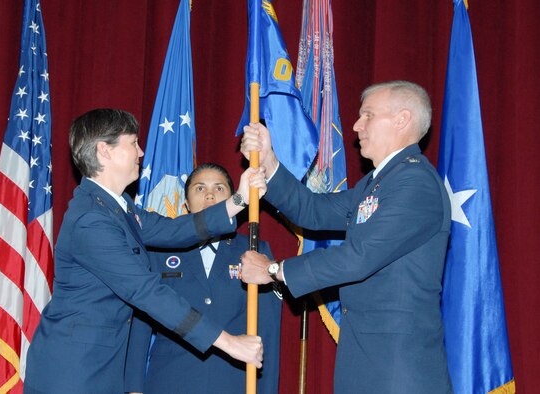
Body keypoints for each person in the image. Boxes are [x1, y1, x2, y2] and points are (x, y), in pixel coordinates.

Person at [24, 109, 266, 394]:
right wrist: (229, 342)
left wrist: (238, 199)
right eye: (133, 143)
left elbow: (172, 230)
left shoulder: (117, 207)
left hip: (100, 369)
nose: (141, 152)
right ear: (105, 150)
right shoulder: (92, 219)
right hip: (74, 374)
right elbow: (146, 292)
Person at [240, 81, 454, 393]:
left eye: (368, 115)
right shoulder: (376, 184)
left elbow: (359, 257)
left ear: (402, 119)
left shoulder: (415, 182)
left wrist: (274, 270)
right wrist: (269, 160)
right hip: (364, 358)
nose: (356, 126)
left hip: (399, 369)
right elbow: (313, 211)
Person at [125, 163, 281, 394]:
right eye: (200, 188)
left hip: (232, 381)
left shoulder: (254, 251)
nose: (209, 194)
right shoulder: (161, 252)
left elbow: (267, 330)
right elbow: (141, 324)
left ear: (235, 198)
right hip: (171, 380)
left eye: (219, 188)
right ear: (186, 204)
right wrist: (134, 388)